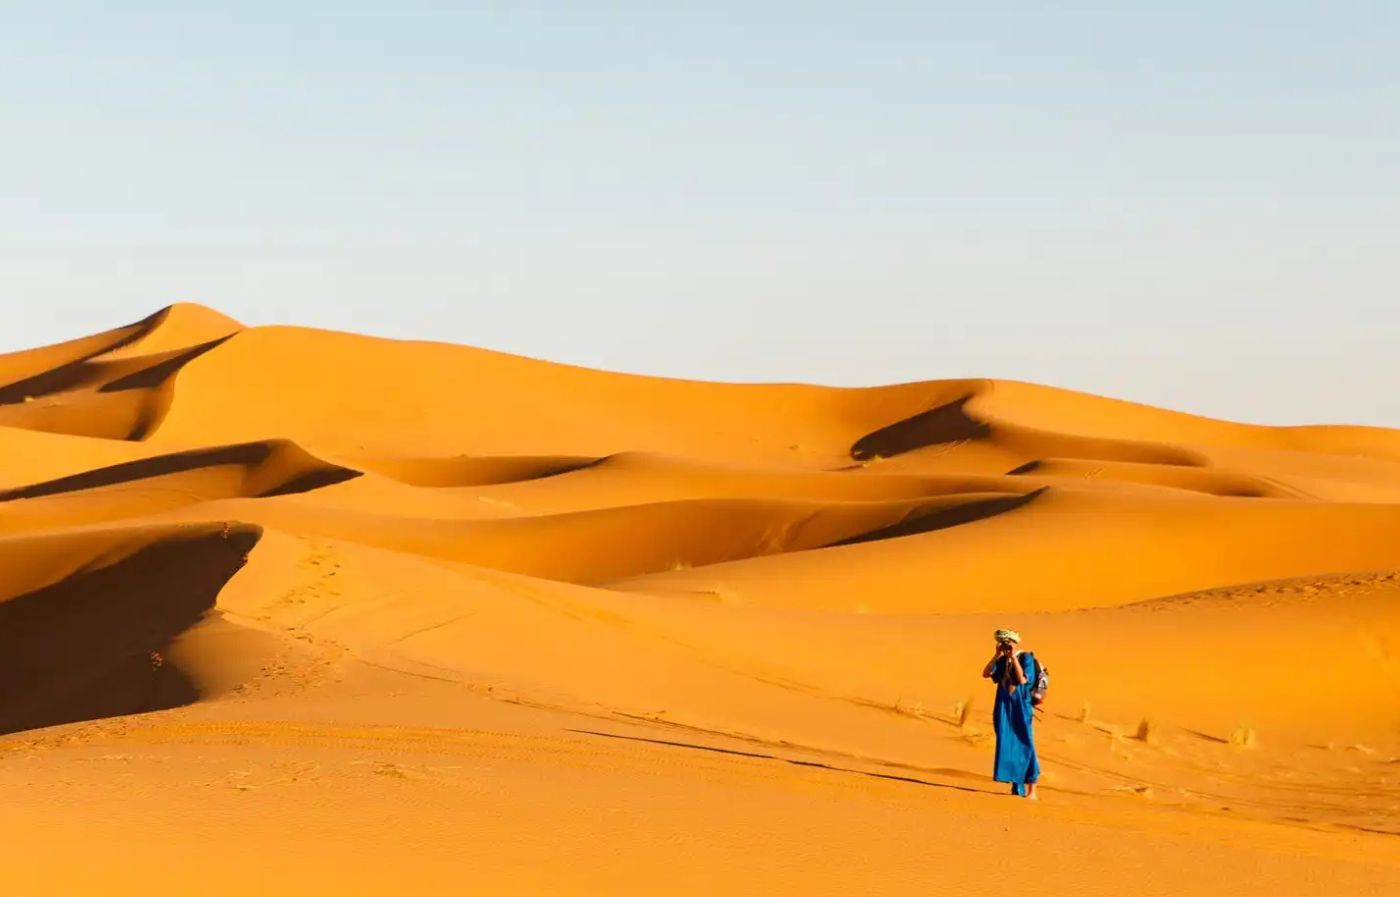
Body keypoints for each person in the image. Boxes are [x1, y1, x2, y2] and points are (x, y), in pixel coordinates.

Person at [981, 628, 1040, 799]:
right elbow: (985, 674)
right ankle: (1017, 785)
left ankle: (1032, 790)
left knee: (1025, 743)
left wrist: (1014, 657)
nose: (1007, 646)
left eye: (1009, 642)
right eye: (1003, 642)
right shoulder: (1001, 661)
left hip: (1021, 706)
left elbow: (1022, 680)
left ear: (1016, 643)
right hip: (1003, 706)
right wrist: (996, 655)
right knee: (1007, 743)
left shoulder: (1026, 657)